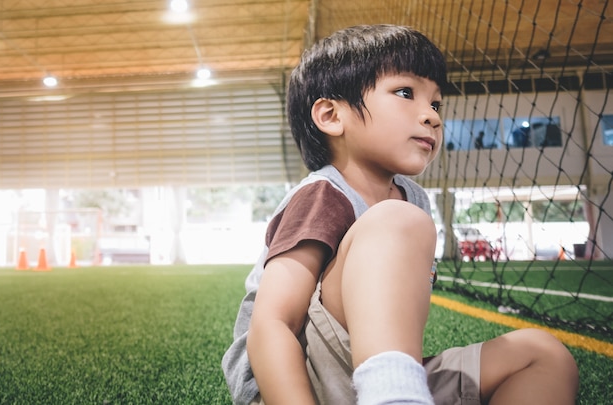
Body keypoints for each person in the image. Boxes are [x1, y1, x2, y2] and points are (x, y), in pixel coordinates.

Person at [222, 24, 578, 405]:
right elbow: (272, 325)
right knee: (396, 220)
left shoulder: (413, 202)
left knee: (542, 353)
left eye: (436, 103)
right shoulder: (323, 194)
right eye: (405, 93)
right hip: (295, 381)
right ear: (330, 115)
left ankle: (395, 390)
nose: (432, 116)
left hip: (369, 376)